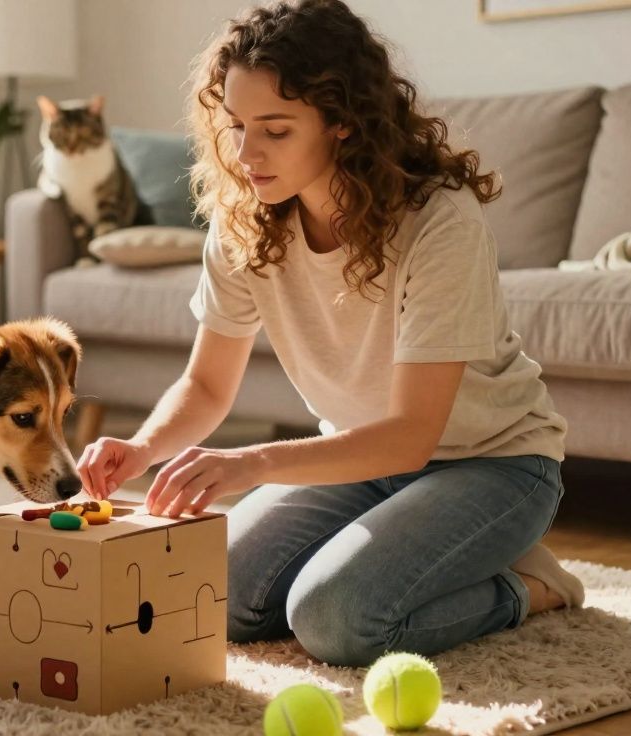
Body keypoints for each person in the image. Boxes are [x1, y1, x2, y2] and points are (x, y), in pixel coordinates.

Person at [76, 0, 584, 667]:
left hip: (492, 466)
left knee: (334, 618)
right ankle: (409, 547)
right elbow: (205, 384)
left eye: (275, 130)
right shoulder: (244, 225)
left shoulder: (438, 226)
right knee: (213, 597)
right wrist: (143, 448)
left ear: (343, 121)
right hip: (361, 465)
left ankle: (532, 585)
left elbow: (411, 434)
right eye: (236, 126)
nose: (247, 154)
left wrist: (251, 462)